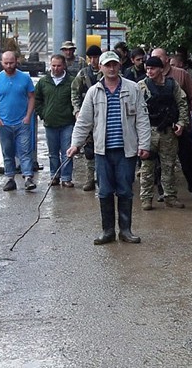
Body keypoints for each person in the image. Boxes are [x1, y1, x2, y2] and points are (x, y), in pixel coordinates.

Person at [67, 51, 151, 245]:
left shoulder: (133, 89)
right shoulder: (94, 92)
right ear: (101, 68)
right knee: (104, 191)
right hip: (102, 151)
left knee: (125, 190)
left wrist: (145, 144)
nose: (111, 68)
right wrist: (75, 145)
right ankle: (107, 231)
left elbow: (142, 119)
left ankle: (126, 230)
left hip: (126, 150)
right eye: (107, 65)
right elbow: (84, 122)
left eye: (114, 64)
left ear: (119, 65)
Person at [151, 47, 192, 202]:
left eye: (158, 57)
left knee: (187, 158)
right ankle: (163, 192)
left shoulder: (181, 74)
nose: (155, 61)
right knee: (160, 162)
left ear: (167, 59)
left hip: (180, 123)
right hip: (160, 127)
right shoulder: (149, 78)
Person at [138, 56, 188, 210]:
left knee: (169, 166)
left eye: (152, 68)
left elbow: (182, 103)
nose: (149, 71)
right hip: (149, 132)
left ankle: (170, 196)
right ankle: (146, 198)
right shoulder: (142, 86)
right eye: (147, 68)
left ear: (161, 69)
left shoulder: (172, 85)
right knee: (147, 167)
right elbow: (135, 109)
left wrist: (181, 123)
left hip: (168, 131)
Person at [0, 50, 36, 191]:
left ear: (17, 62)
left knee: (25, 151)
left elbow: (31, 97)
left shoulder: (25, 78)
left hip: (22, 122)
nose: (9, 65)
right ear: (1, 63)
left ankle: (28, 178)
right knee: (7, 151)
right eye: (6, 63)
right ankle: (10, 178)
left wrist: (28, 116)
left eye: (11, 62)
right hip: (4, 123)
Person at [35, 54, 75, 187]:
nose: (56, 68)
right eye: (53, 65)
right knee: (52, 153)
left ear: (64, 66)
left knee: (67, 152)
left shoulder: (71, 81)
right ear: (50, 65)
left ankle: (66, 177)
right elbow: (36, 100)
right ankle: (54, 176)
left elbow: (77, 100)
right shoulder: (43, 82)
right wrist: (43, 114)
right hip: (50, 123)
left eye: (58, 66)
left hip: (67, 123)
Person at [71, 44, 103, 191]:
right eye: (91, 58)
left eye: (96, 58)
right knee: (89, 151)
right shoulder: (83, 74)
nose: (93, 61)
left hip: (104, 117)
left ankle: (103, 179)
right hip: (88, 116)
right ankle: (90, 179)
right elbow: (75, 93)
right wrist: (77, 111)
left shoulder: (106, 73)